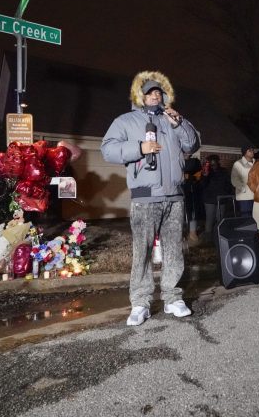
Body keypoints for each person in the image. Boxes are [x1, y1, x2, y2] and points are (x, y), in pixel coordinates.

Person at [101, 71, 200, 326]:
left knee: (173, 250)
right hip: (145, 198)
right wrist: (139, 148)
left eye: (159, 92)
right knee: (142, 252)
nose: (155, 95)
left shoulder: (172, 119)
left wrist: (180, 123)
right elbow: (107, 149)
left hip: (174, 196)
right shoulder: (125, 121)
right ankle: (140, 302)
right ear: (139, 96)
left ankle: (172, 297)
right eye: (149, 92)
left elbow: (192, 145)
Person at [200, 154, 234, 236]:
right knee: (209, 219)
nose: (212, 164)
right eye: (211, 162)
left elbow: (228, 184)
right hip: (209, 200)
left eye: (214, 162)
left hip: (221, 199)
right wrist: (205, 176)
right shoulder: (206, 171)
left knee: (220, 219)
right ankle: (208, 238)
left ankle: (219, 236)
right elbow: (202, 185)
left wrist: (226, 194)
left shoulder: (223, 171)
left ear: (217, 162)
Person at [231, 145, 258, 217]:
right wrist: (243, 189)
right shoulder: (238, 164)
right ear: (244, 152)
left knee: (257, 218)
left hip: (257, 196)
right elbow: (234, 179)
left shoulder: (257, 163)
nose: (252, 152)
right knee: (246, 220)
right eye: (250, 150)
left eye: (253, 150)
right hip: (244, 197)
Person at [183, 154, 203, 243]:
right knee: (181, 213)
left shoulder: (195, 162)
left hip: (192, 191)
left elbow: (199, 176)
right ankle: (182, 234)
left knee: (192, 212)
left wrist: (189, 177)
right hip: (180, 191)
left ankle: (192, 232)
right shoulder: (177, 160)